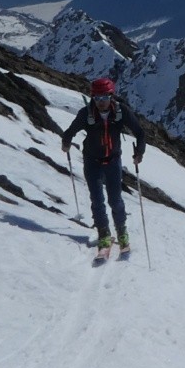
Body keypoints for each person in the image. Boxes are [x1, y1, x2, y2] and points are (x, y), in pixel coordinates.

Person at [61, 77, 145, 258]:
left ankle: (121, 231)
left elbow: (139, 132)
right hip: (92, 161)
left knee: (115, 200)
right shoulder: (86, 113)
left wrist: (139, 152)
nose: (101, 102)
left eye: (104, 97)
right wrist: (66, 143)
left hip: (113, 160)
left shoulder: (121, 112)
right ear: (93, 97)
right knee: (97, 199)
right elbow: (71, 130)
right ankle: (103, 233)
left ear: (111, 96)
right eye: (97, 98)